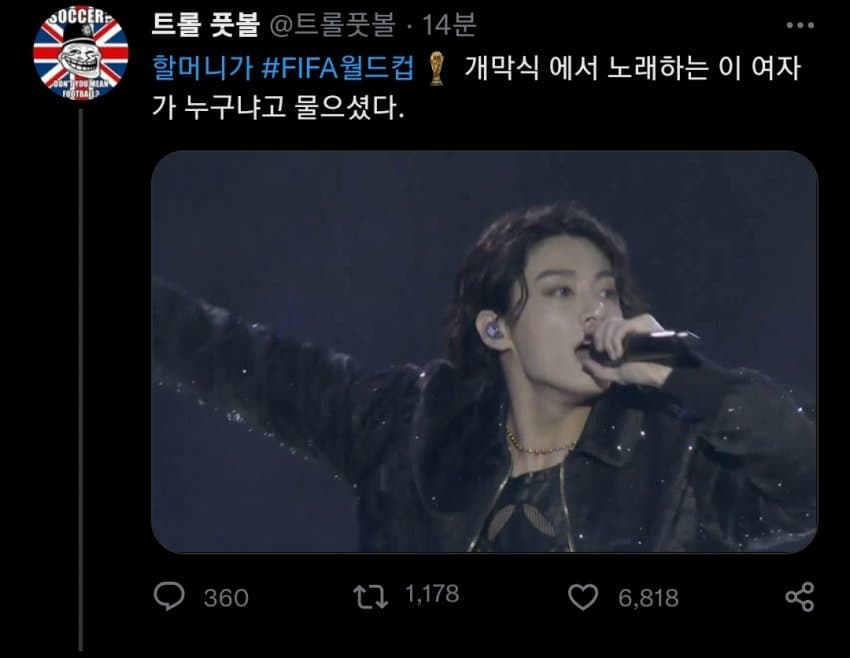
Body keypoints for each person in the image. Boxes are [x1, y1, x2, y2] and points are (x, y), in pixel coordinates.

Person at [152, 202, 816, 552]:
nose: (597, 312)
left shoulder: (678, 461)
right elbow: (236, 358)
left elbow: (805, 483)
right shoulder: (408, 426)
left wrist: (687, 377)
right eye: (560, 292)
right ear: (496, 329)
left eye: (606, 292)